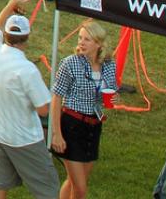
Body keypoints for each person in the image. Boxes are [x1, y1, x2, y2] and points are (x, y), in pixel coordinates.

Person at [0, 0, 60, 199]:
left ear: (7, 35)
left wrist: (10, 5)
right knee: (48, 190)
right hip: (24, 139)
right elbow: (44, 109)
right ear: (27, 38)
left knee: (0, 183)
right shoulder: (27, 70)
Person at [49, 20, 117, 199]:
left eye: (87, 39)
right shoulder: (70, 64)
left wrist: (112, 98)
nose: (81, 42)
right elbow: (56, 97)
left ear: (98, 44)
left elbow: (110, 96)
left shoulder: (109, 65)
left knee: (74, 182)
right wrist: (56, 133)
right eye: (80, 38)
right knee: (80, 189)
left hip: (93, 127)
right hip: (72, 125)